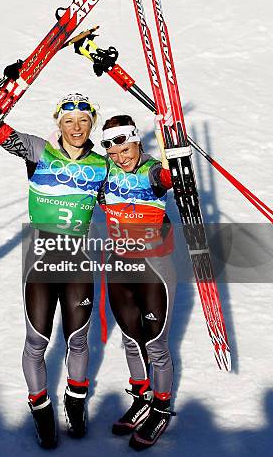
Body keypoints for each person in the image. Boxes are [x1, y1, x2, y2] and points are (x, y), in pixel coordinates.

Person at [0, 92, 107, 449]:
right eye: (69, 121)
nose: (76, 128)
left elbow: (130, 188)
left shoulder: (102, 166)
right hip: (40, 263)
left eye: (84, 121)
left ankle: (75, 403)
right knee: (37, 341)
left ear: (92, 124)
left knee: (77, 339)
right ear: (58, 123)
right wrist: (9, 87)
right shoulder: (39, 151)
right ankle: (41, 409)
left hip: (78, 262)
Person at [99, 113, 176, 450]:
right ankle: (142, 397)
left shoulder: (149, 170)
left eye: (124, 148)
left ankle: (160, 408)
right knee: (131, 340)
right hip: (119, 267)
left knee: (155, 344)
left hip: (153, 270)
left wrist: (172, 152)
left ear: (135, 141)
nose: (121, 157)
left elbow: (167, 177)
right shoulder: (104, 171)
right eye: (113, 152)